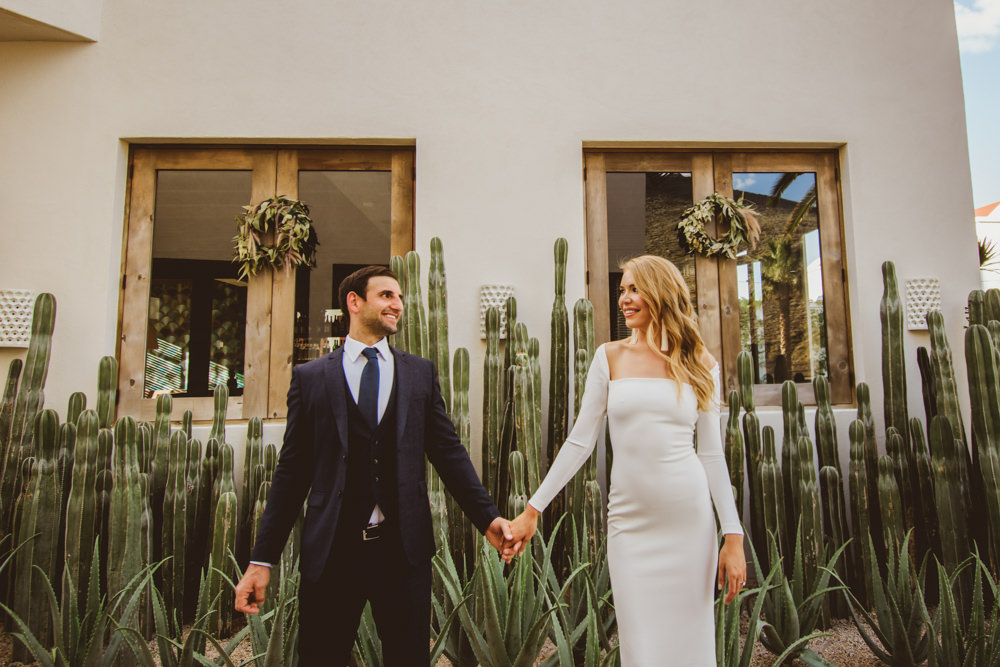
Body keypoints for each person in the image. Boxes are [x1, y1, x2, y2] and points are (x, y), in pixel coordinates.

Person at [234, 265, 515, 666]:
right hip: (333, 549)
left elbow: (449, 454)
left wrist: (488, 520)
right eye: (386, 295)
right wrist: (262, 561)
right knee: (321, 657)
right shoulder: (311, 378)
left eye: (399, 297)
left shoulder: (419, 373)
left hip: (402, 549)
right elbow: (292, 473)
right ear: (354, 302)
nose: (397, 305)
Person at [508, 254, 746, 666]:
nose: (624, 299)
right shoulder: (609, 357)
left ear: (660, 293)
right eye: (622, 290)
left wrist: (733, 536)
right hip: (629, 522)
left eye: (634, 289)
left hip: (688, 522)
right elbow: (580, 442)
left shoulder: (700, 362)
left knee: (691, 641)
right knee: (640, 646)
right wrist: (533, 509)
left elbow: (710, 454)